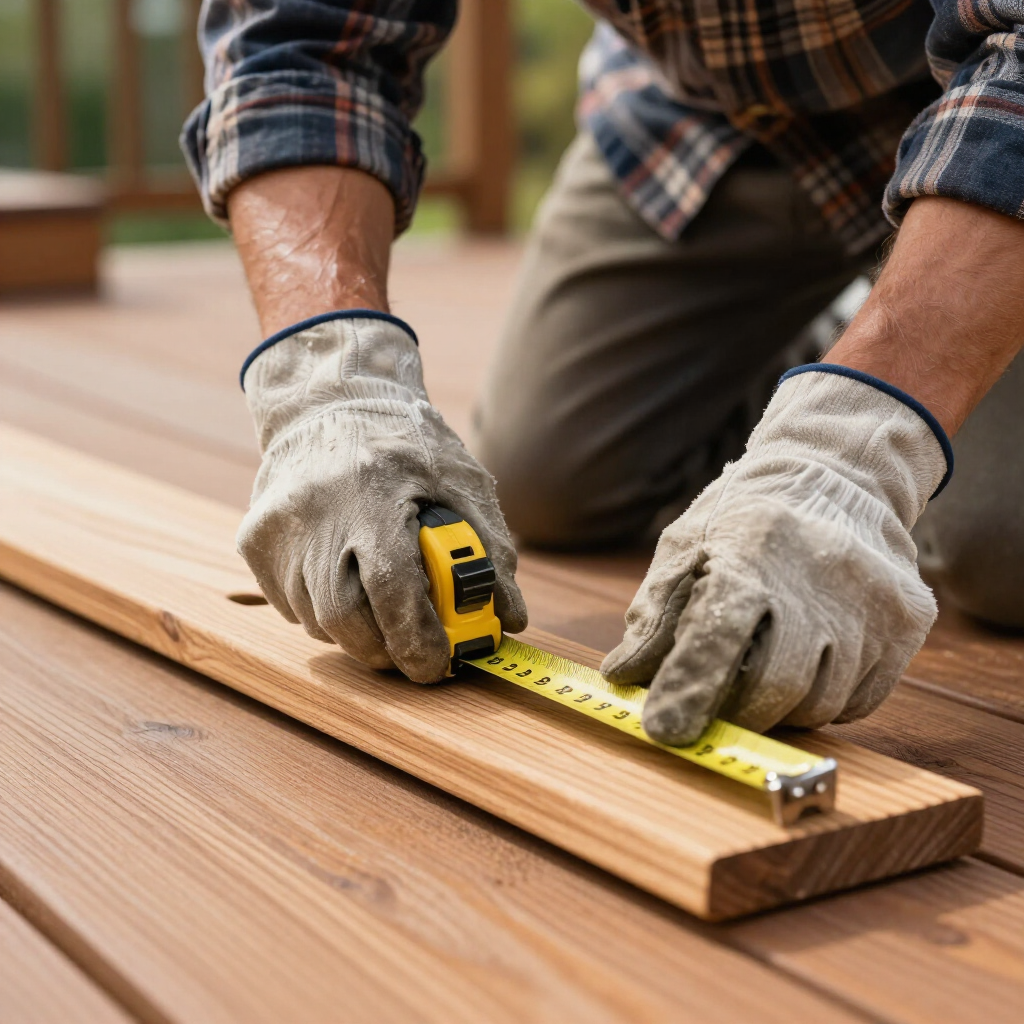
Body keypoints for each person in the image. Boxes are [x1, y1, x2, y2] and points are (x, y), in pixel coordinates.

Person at [182, 1, 1024, 746]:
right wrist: (328, 382)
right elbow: (299, 39)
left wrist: (850, 452)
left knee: (1000, 550)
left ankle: (874, 362)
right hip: (698, 121)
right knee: (549, 475)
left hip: (983, 116)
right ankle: (832, 352)